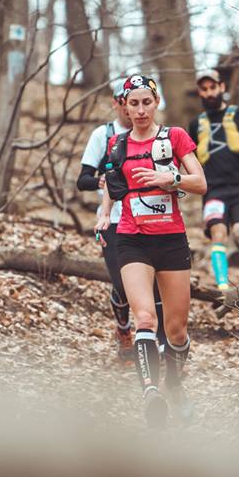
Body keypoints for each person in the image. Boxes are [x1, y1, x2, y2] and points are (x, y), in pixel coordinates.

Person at [95, 74, 206, 428]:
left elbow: (201, 183)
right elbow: (113, 187)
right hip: (131, 238)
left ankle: (174, 383)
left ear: (156, 102)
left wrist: (168, 179)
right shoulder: (116, 144)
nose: (140, 110)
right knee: (145, 319)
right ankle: (151, 394)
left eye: (146, 102)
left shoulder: (173, 137)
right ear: (124, 107)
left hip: (171, 240)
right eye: (133, 103)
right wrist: (104, 212)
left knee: (176, 331)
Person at [77, 81, 166, 363]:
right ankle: (123, 329)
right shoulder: (104, 135)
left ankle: (161, 346)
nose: (134, 109)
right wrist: (102, 180)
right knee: (121, 284)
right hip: (113, 220)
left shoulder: (157, 135)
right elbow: (82, 179)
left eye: (143, 102)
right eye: (126, 101)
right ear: (119, 103)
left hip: (149, 217)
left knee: (154, 284)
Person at [187, 69, 239, 290]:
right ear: (200, 92)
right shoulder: (196, 124)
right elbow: (188, 158)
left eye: (212, 87)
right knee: (218, 234)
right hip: (213, 190)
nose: (209, 93)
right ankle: (223, 290)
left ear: (222, 87)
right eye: (204, 89)